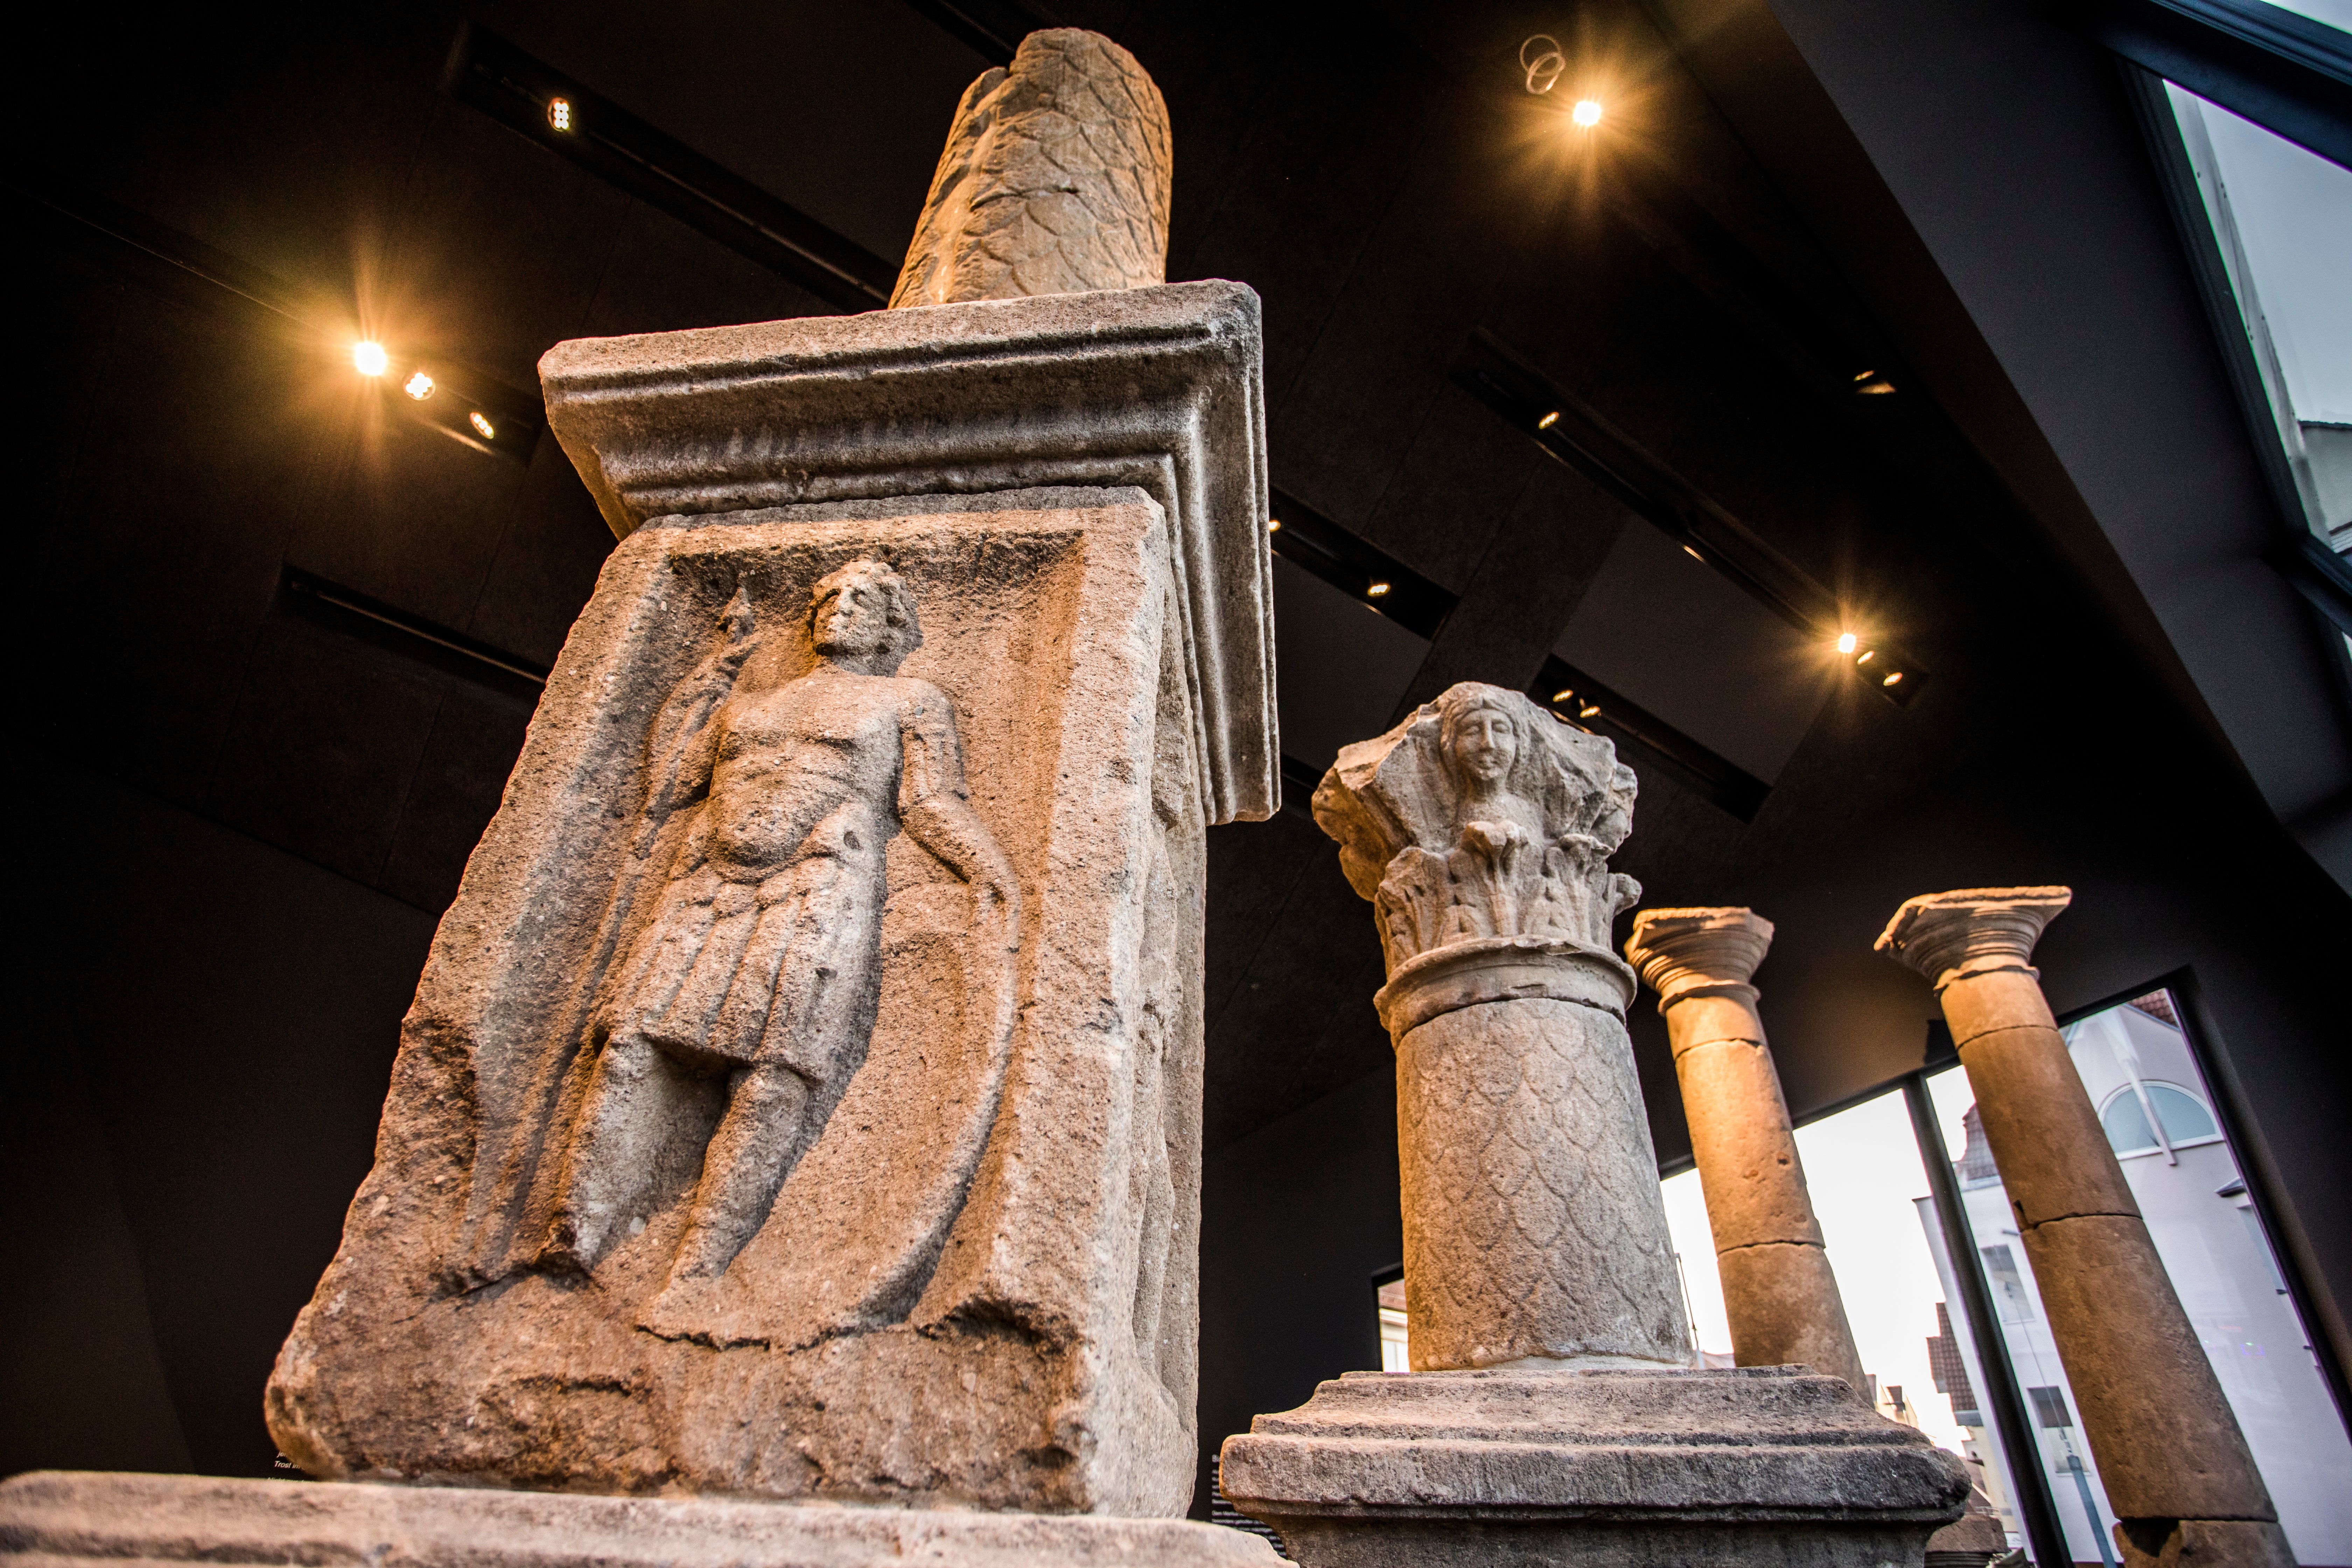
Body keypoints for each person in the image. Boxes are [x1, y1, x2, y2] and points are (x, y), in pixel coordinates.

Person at [544, 559, 1016, 1285]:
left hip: (818, 883)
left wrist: (987, 868)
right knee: (631, 1043)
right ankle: (577, 1223)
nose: (840, 607)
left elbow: (929, 803)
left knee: (775, 1072)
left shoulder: (909, 701)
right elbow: (673, 784)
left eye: (861, 599)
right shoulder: (749, 705)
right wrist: (710, 679)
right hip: (705, 884)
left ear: (891, 626)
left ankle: (701, 1262)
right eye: (829, 597)